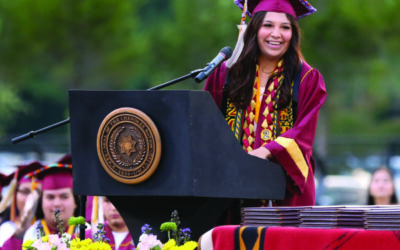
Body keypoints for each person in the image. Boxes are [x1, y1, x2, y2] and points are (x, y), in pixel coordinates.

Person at [204, 0, 326, 210]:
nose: (276, 34)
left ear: (293, 34)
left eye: (285, 27)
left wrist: (265, 151)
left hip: (285, 194)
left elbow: (303, 134)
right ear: (253, 29)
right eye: (268, 25)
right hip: (230, 191)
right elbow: (206, 126)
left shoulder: (307, 78)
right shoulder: (225, 74)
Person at [2, 154, 80, 249]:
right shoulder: (27, 235)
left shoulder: (89, 233)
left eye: (64, 196)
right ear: (41, 202)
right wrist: (20, 233)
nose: (57, 203)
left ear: (75, 201)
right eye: (50, 197)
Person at [0, 161, 44, 248]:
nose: (31, 198)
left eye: (37, 192)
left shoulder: (52, 231)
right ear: (15, 194)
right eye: (25, 191)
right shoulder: (5, 229)